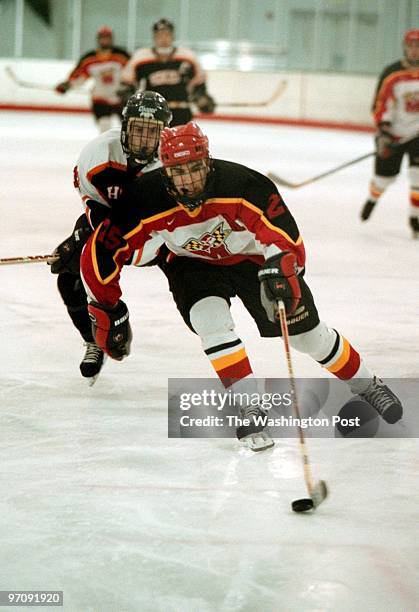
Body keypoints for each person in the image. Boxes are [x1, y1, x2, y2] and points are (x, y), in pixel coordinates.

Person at [80, 122, 403, 451]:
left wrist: (281, 267)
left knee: (307, 336)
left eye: (195, 167)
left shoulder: (244, 184)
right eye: (179, 171)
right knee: (210, 321)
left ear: (208, 161)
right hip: (192, 264)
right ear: (165, 171)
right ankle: (250, 405)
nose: (189, 180)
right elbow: (103, 252)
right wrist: (105, 306)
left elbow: (285, 239)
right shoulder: (145, 198)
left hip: (252, 259)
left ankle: (367, 384)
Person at [50, 92, 172, 384]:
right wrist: (86, 233)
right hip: (109, 219)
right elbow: (92, 203)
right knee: (68, 277)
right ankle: (93, 340)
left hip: (160, 235)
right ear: (125, 126)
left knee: (196, 285)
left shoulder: (171, 164)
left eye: (151, 131)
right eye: (137, 129)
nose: (143, 139)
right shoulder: (99, 151)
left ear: (163, 133)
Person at [360, 28, 419, 238]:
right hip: (393, 134)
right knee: (384, 179)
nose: (414, 51)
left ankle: (415, 219)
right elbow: (380, 103)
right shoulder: (393, 73)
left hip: (417, 136)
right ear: (405, 47)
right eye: (411, 46)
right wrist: (384, 131)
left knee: (417, 176)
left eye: (418, 47)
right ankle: (373, 197)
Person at [119, 18, 215, 126]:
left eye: (167, 34)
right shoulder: (141, 58)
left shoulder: (187, 57)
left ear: (172, 36)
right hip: (153, 113)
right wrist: (127, 97)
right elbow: (127, 84)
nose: (164, 39)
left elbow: (198, 84)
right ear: (154, 37)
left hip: (181, 112)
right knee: (155, 142)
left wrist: (201, 98)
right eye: (160, 35)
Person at [55, 26, 131, 132]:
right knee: (104, 128)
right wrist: (66, 86)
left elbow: (133, 72)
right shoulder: (89, 59)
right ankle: (106, 148)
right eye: (102, 37)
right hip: (100, 99)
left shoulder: (122, 56)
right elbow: (79, 77)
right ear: (98, 39)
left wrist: (129, 87)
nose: (105, 40)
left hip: (120, 99)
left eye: (107, 37)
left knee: (128, 129)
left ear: (111, 39)